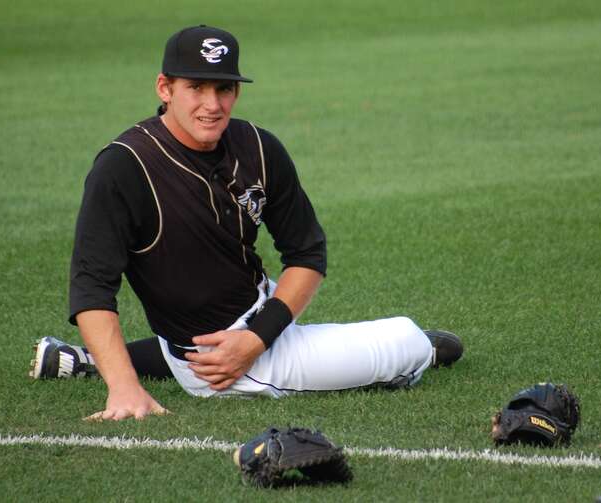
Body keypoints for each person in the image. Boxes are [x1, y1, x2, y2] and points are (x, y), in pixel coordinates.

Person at [30, 25, 463, 421]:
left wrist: (258, 335)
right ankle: (412, 355)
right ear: (165, 88)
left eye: (224, 88)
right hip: (220, 366)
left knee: (287, 317)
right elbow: (91, 288)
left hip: (256, 320)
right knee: (409, 340)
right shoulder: (124, 167)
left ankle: (83, 360)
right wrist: (124, 389)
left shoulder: (257, 144)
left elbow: (307, 252)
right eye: (195, 87)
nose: (212, 104)